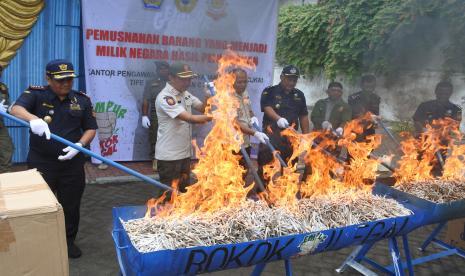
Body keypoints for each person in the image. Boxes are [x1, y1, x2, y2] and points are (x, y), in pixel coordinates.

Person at [10, 59, 97, 258]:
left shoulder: (81, 100)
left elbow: (91, 128)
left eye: (69, 80)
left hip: (72, 164)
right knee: (40, 205)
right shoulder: (36, 94)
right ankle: (40, 242)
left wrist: (80, 145)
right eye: (60, 80)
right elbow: (15, 109)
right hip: (42, 162)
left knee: (71, 205)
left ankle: (67, 242)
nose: (65, 84)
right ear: (47, 78)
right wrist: (33, 119)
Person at [155, 62, 212, 193]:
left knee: (184, 195)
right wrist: (216, 117)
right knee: (170, 197)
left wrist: (208, 97)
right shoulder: (165, 97)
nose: (187, 82)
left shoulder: (185, 93)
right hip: (169, 157)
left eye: (189, 79)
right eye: (183, 79)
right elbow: (190, 118)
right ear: (171, 77)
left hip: (184, 154)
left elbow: (202, 108)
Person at [257, 65, 310, 184]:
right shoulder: (269, 91)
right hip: (271, 136)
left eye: (294, 80)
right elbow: (267, 108)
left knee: (290, 166)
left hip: (291, 138)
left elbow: (303, 116)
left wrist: (306, 136)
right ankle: (262, 192)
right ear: (281, 77)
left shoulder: (299, 95)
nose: (291, 82)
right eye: (288, 79)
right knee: (266, 165)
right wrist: (278, 119)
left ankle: (286, 193)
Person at [413, 81, 462, 176]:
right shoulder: (425, 105)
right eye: (441, 93)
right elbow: (416, 120)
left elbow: (455, 126)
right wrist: (424, 131)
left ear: (450, 93)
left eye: (446, 93)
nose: (443, 95)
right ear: (436, 92)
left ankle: (435, 185)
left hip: (442, 144)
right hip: (424, 142)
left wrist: (442, 134)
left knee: (438, 167)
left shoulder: (455, 109)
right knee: (420, 165)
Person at [231, 68, 269, 178]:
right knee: (232, 174)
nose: (243, 85)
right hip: (233, 143)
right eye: (239, 82)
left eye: (245, 82)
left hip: (245, 141)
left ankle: (241, 194)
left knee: (244, 171)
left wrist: (253, 117)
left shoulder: (245, 93)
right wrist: (255, 133)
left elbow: (249, 109)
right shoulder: (228, 97)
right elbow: (235, 123)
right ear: (231, 81)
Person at [141, 61, 169, 172]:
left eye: (165, 69)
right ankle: (155, 160)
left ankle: (168, 161)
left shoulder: (173, 82)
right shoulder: (151, 83)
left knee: (171, 138)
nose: (162, 71)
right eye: (160, 69)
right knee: (155, 137)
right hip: (156, 114)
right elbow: (145, 100)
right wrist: (144, 115)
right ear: (157, 71)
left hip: (173, 114)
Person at [348, 74, 380, 139]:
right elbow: (353, 114)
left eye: (372, 87)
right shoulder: (353, 98)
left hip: (370, 129)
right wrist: (367, 116)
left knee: (370, 147)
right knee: (354, 148)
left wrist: (376, 121)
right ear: (361, 86)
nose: (369, 89)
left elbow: (376, 113)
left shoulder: (376, 98)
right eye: (367, 87)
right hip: (356, 128)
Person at [0, 64, 14, 173]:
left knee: (7, 149)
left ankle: (5, 180)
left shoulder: (2, 88)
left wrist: (12, 108)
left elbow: (7, 107)